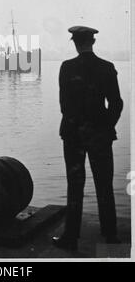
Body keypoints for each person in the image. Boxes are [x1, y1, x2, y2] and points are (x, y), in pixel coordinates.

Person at [52, 26, 123, 251]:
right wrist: (104, 126)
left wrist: (79, 126)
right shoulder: (107, 67)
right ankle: (110, 235)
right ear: (93, 42)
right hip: (100, 136)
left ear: (75, 43)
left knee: (75, 185)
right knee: (104, 184)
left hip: (73, 135)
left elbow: (64, 105)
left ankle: (71, 237)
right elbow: (116, 103)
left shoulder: (66, 67)